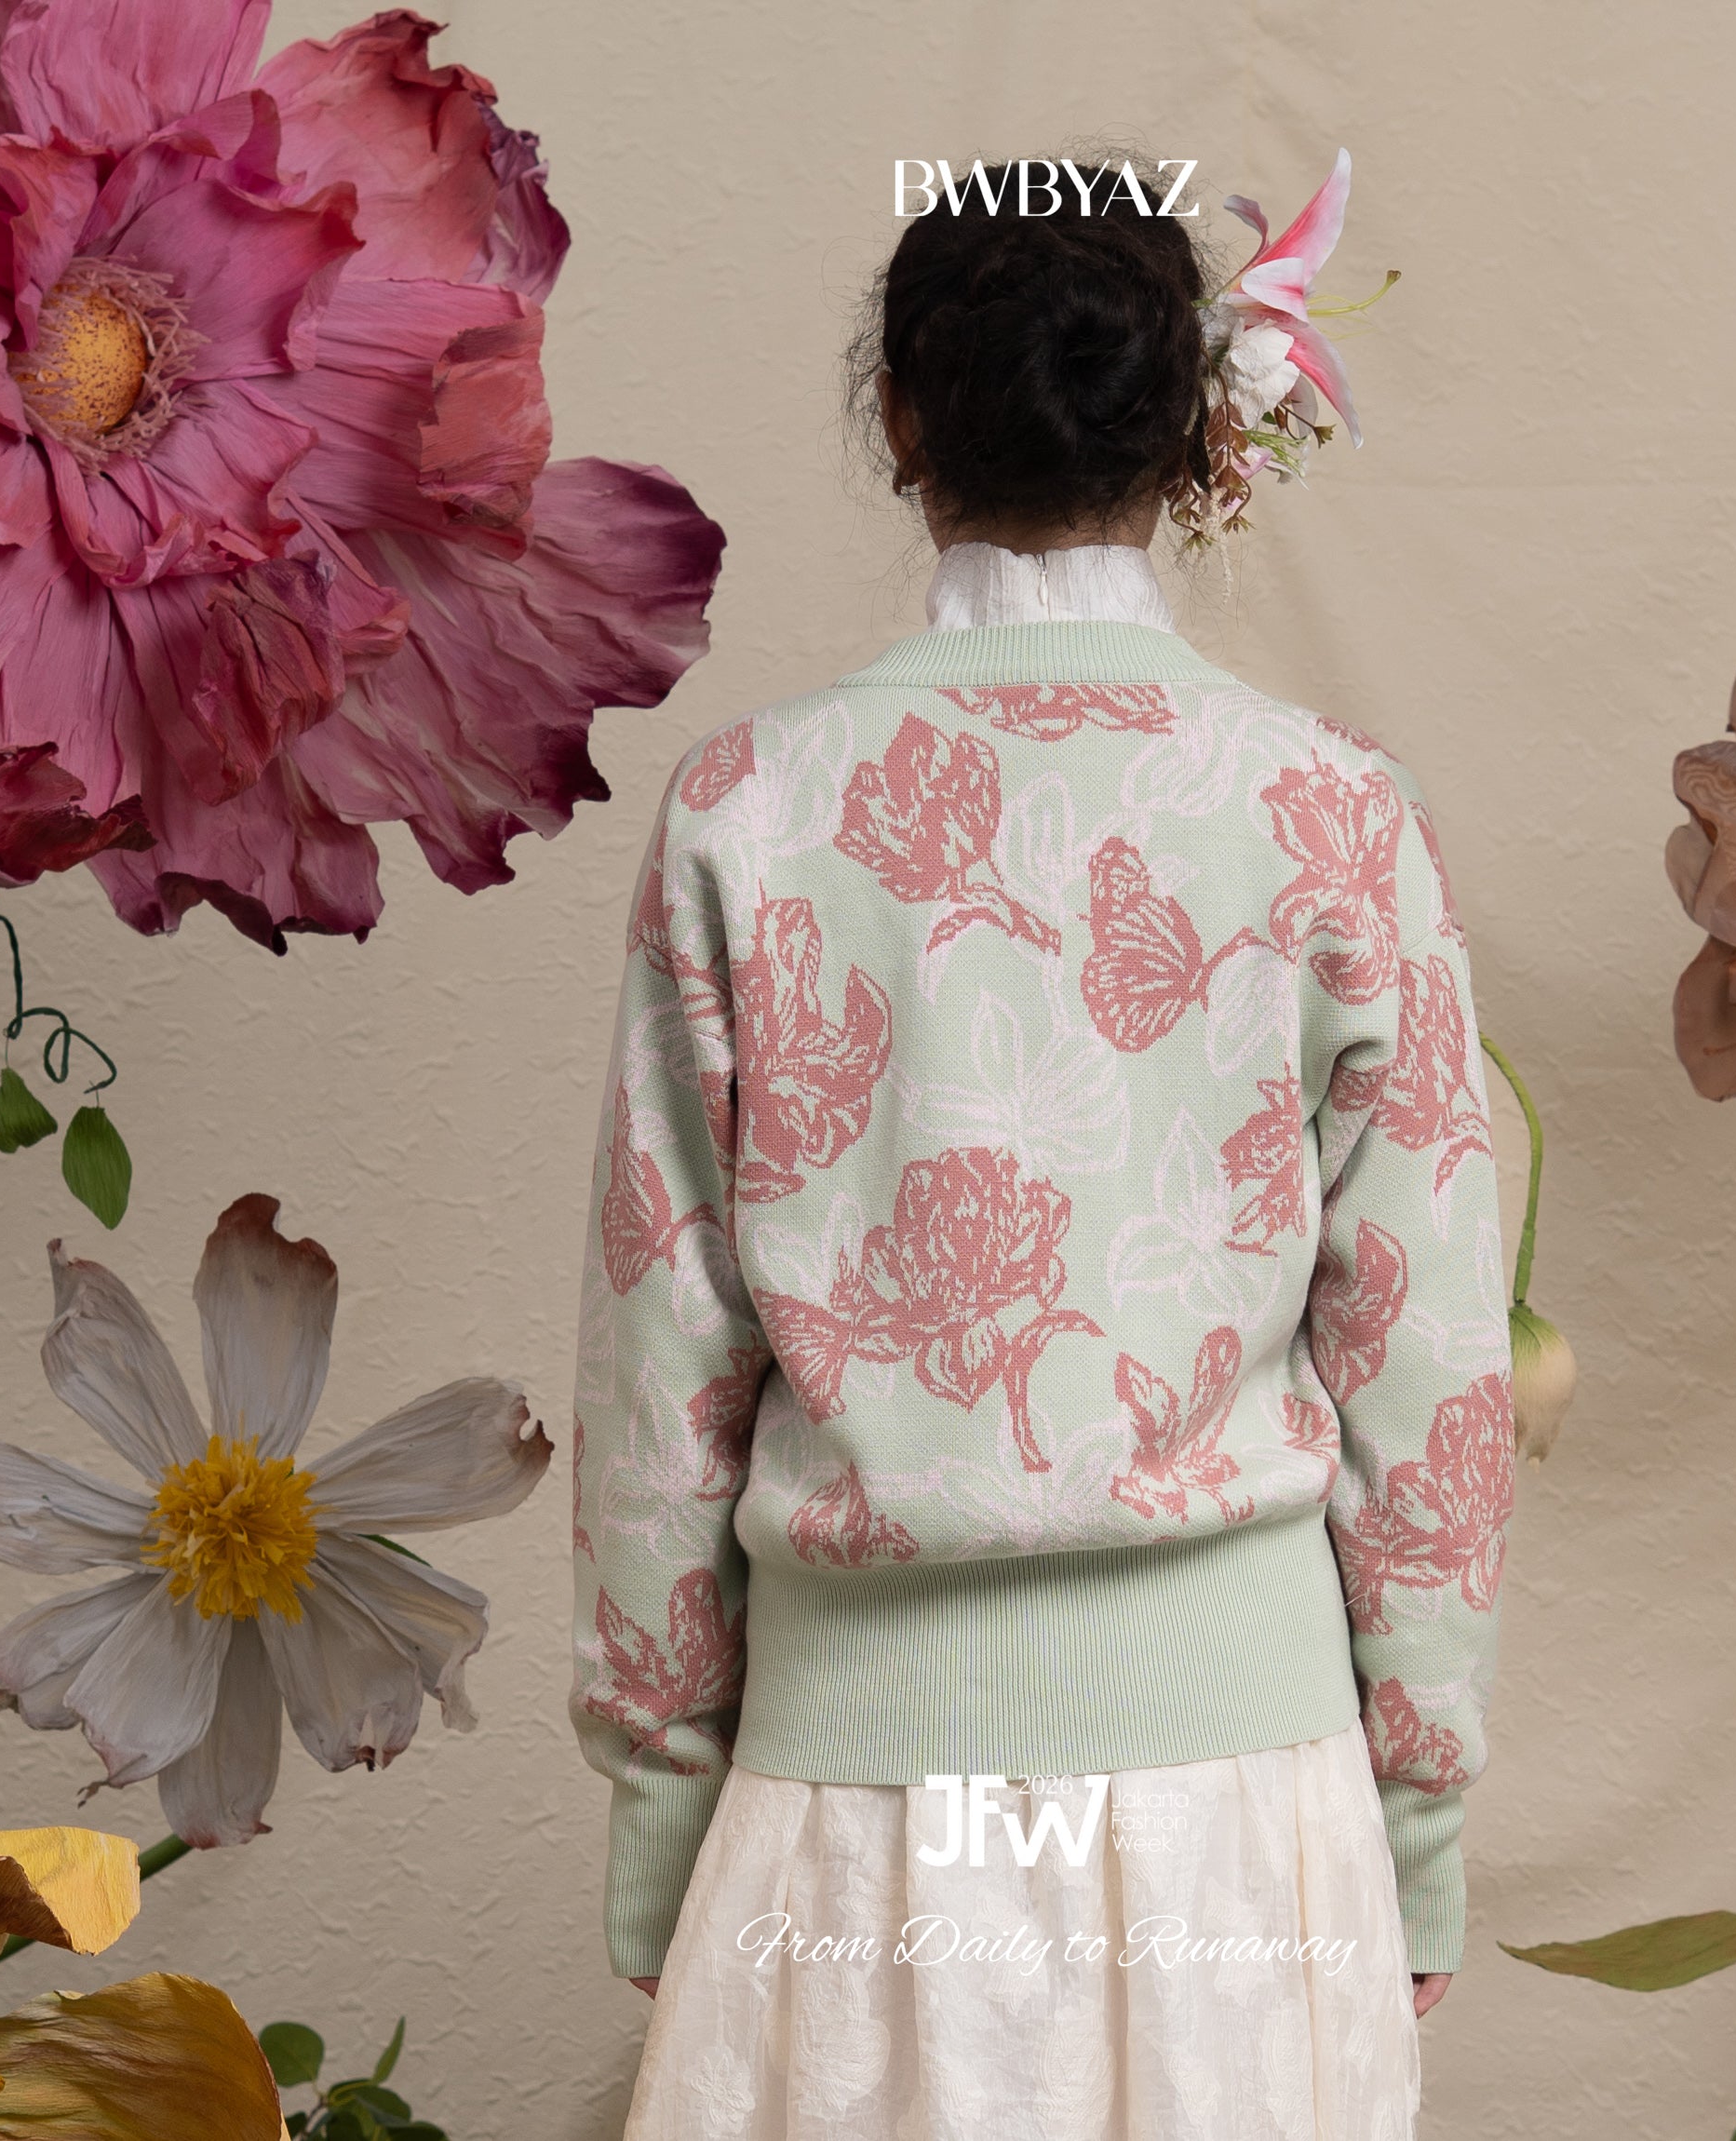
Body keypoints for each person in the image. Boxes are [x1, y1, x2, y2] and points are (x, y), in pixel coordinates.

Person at [571, 157, 1514, 2141]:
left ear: (900, 418)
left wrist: (663, 1818)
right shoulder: (1335, 813)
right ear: (1196, 428)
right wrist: (1419, 1820)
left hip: (852, 1812)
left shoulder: (747, 809)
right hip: (1245, 1810)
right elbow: (1425, 1372)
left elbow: (665, 1358)